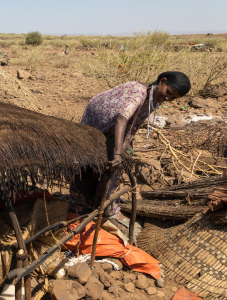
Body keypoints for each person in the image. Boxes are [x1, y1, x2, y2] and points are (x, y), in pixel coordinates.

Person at [79, 71, 191, 224]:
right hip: (98, 120)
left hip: (115, 128)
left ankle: (104, 207)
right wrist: (118, 153)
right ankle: (84, 204)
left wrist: (127, 145)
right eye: (168, 92)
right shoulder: (138, 92)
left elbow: (134, 123)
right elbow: (122, 118)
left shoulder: (154, 100)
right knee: (90, 160)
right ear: (162, 81)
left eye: (173, 98)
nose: (168, 98)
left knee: (112, 171)